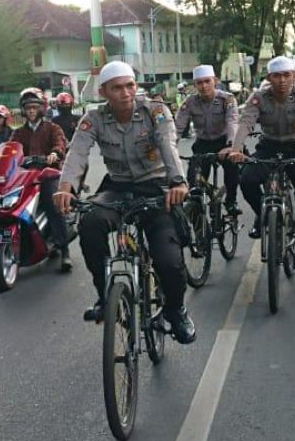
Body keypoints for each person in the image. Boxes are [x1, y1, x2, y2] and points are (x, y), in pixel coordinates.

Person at [54, 61, 196, 344]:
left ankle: (175, 311)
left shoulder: (155, 111)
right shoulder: (93, 119)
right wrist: (66, 188)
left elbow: (168, 145)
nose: (125, 93)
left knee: (169, 260)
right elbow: (77, 153)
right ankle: (104, 296)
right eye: (117, 88)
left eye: (130, 85)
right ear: (104, 91)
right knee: (90, 224)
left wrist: (178, 182)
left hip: (156, 188)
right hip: (118, 187)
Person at [223, 55, 295, 269]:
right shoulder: (258, 97)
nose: (282, 80)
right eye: (276, 76)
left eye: (287, 75)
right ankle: (262, 215)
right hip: (268, 146)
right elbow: (246, 122)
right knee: (247, 180)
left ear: (294, 76)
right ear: (269, 77)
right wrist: (236, 149)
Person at [11, 91, 71, 271]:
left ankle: (64, 249)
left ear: (41, 109)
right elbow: (10, 148)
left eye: (34, 108)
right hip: (24, 176)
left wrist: (54, 153)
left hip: (48, 174)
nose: (31, 111)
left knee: (53, 206)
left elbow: (60, 143)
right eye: (28, 108)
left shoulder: (52, 128)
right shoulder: (19, 132)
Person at [175, 65, 241, 213]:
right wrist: (170, 148)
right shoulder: (189, 102)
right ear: (195, 85)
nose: (204, 86)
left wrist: (231, 145)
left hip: (224, 141)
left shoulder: (227, 99)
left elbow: (232, 122)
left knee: (232, 169)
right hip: (203, 143)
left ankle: (231, 201)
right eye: (199, 83)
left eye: (207, 81)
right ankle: (198, 217)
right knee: (194, 178)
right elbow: (178, 127)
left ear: (215, 81)